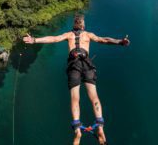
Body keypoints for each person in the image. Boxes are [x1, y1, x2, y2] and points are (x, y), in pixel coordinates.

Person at [23, 14, 130, 145]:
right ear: (83, 26)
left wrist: (34, 40)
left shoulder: (69, 35)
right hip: (87, 64)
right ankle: (100, 126)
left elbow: (54, 39)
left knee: (75, 98)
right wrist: (120, 42)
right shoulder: (88, 35)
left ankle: (77, 129)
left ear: (74, 25)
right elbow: (104, 40)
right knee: (94, 97)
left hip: (74, 65)